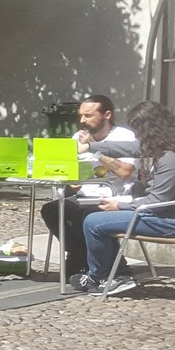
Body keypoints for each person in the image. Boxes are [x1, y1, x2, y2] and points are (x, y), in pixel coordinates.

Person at [75, 101, 175, 296]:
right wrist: (91, 146)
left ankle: (102, 278)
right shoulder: (173, 145)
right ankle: (116, 274)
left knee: (93, 222)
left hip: (174, 221)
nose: (136, 136)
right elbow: (131, 149)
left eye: (137, 130)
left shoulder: (172, 158)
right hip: (170, 213)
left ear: (149, 130)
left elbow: (156, 203)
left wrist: (119, 205)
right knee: (96, 214)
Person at [39, 94, 137, 279]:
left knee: (84, 215)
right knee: (51, 210)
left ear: (107, 114)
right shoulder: (78, 137)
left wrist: (95, 148)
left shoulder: (124, 137)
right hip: (84, 195)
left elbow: (125, 172)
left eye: (89, 115)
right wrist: (70, 182)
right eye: (81, 116)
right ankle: (78, 254)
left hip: (114, 197)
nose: (83, 120)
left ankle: (106, 266)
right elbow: (67, 168)